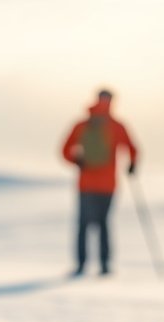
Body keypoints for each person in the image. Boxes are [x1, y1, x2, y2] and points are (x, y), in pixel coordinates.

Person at [60, 89, 138, 276]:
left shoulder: (82, 125)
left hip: (85, 183)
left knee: (83, 225)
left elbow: (64, 150)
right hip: (108, 185)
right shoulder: (117, 126)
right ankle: (104, 265)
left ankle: (81, 265)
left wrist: (76, 161)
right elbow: (133, 148)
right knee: (103, 224)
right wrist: (132, 165)